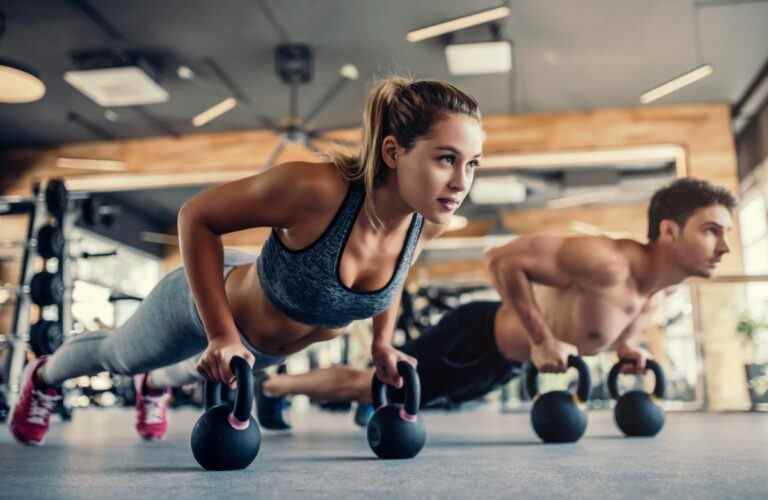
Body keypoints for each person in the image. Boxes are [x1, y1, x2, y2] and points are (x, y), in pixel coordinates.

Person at [9, 76, 484, 445]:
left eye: (473, 163)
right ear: (393, 152)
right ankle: (45, 376)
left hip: (255, 349)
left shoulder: (425, 221)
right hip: (208, 301)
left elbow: (392, 280)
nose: (462, 181)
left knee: (190, 368)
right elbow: (196, 217)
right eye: (447, 158)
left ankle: (156, 386)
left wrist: (382, 344)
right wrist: (220, 333)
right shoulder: (316, 190)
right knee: (118, 358)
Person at [256, 178, 735, 423]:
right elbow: (502, 259)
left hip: (497, 365)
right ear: (669, 231)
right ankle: (273, 388)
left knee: (399, 397)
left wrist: (626, 349)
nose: (725, 247)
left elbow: (608, 320)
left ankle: (289, 389)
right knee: (371, 386)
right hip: (474, 339)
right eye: (711, 231)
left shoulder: (660, 289)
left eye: (727, 234)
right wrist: (542, 337)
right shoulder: (605, 260)